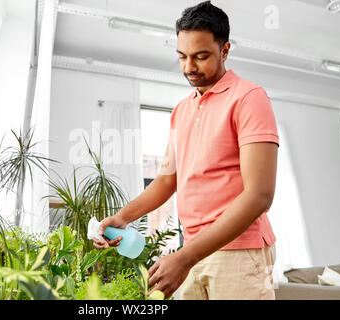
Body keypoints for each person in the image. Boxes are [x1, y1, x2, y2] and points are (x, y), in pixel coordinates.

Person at [93, 1, 279, 300]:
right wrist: (123, 217)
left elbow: (259, 195)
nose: (189, 67)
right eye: (182, 57)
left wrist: (184, 257)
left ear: (225, 50)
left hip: (239, 251)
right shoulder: (181, 109)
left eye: (201, 56)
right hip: (193, 249)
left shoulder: (249, 98)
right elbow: (168, 179)